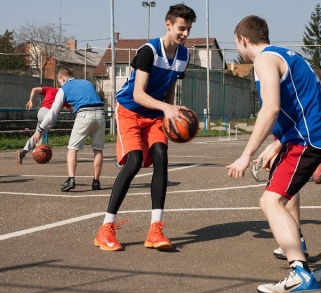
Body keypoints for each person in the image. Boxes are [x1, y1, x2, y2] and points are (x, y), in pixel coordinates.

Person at [227, 15, 321, 293]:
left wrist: (246, 154)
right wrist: (277, 144)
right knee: (283, 185)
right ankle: (297, 243)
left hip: (311, 136)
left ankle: (301, 274)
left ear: (243, 40)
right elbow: (301, 103)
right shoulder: (289, 56)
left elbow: (271, 108)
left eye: (237, 43)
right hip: (319, 132)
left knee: (270, 200)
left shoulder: (263, 60)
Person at [93, 4, 197, 252]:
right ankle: (105, 228)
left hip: (155, 114)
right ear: (168, 24)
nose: (185, 33)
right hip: (130, 109)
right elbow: (138, 94)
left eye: (188, 29)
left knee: (162, 157)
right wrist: (166, 108)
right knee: (134, 161)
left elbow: (170, 85)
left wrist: (170, 113)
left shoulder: (184, 56)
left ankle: (155, 229)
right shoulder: (148, 51)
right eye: (182, 28)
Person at [32, 68, 105, 192]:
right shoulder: (87, 83)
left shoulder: (63, 89)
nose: (60, 84)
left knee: (72, 149)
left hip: (84, 114)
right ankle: (96, 182)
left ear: (63, 79)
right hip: (100, 114)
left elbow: (52, 113)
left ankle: (71, 179)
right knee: (98, 149)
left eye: (60, 82)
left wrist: (39, 130)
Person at [16, 86, 72, 164]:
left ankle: (38, 151)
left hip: (41, 112)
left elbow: (34, 89)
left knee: (38, 133)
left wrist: (30, 100)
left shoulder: (50, 89)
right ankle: (23, 152)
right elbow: (71, 110)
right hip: (50, 115)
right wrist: (68, 107)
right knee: (39, 134)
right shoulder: (64, 96)